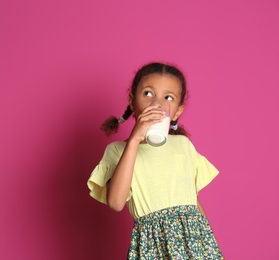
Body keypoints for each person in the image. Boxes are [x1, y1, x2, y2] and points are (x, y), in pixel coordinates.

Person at [87, 62, 224, 259]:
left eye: (168, 97)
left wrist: (213, 250)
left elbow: (193, 201)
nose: (156, 103)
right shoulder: (118, 151)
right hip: (153, 245)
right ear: (132, 101)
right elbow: (116, 202)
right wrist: (134, 140)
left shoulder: (183, 145)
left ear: (177, 111)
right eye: (148, 94)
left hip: (194, 242)